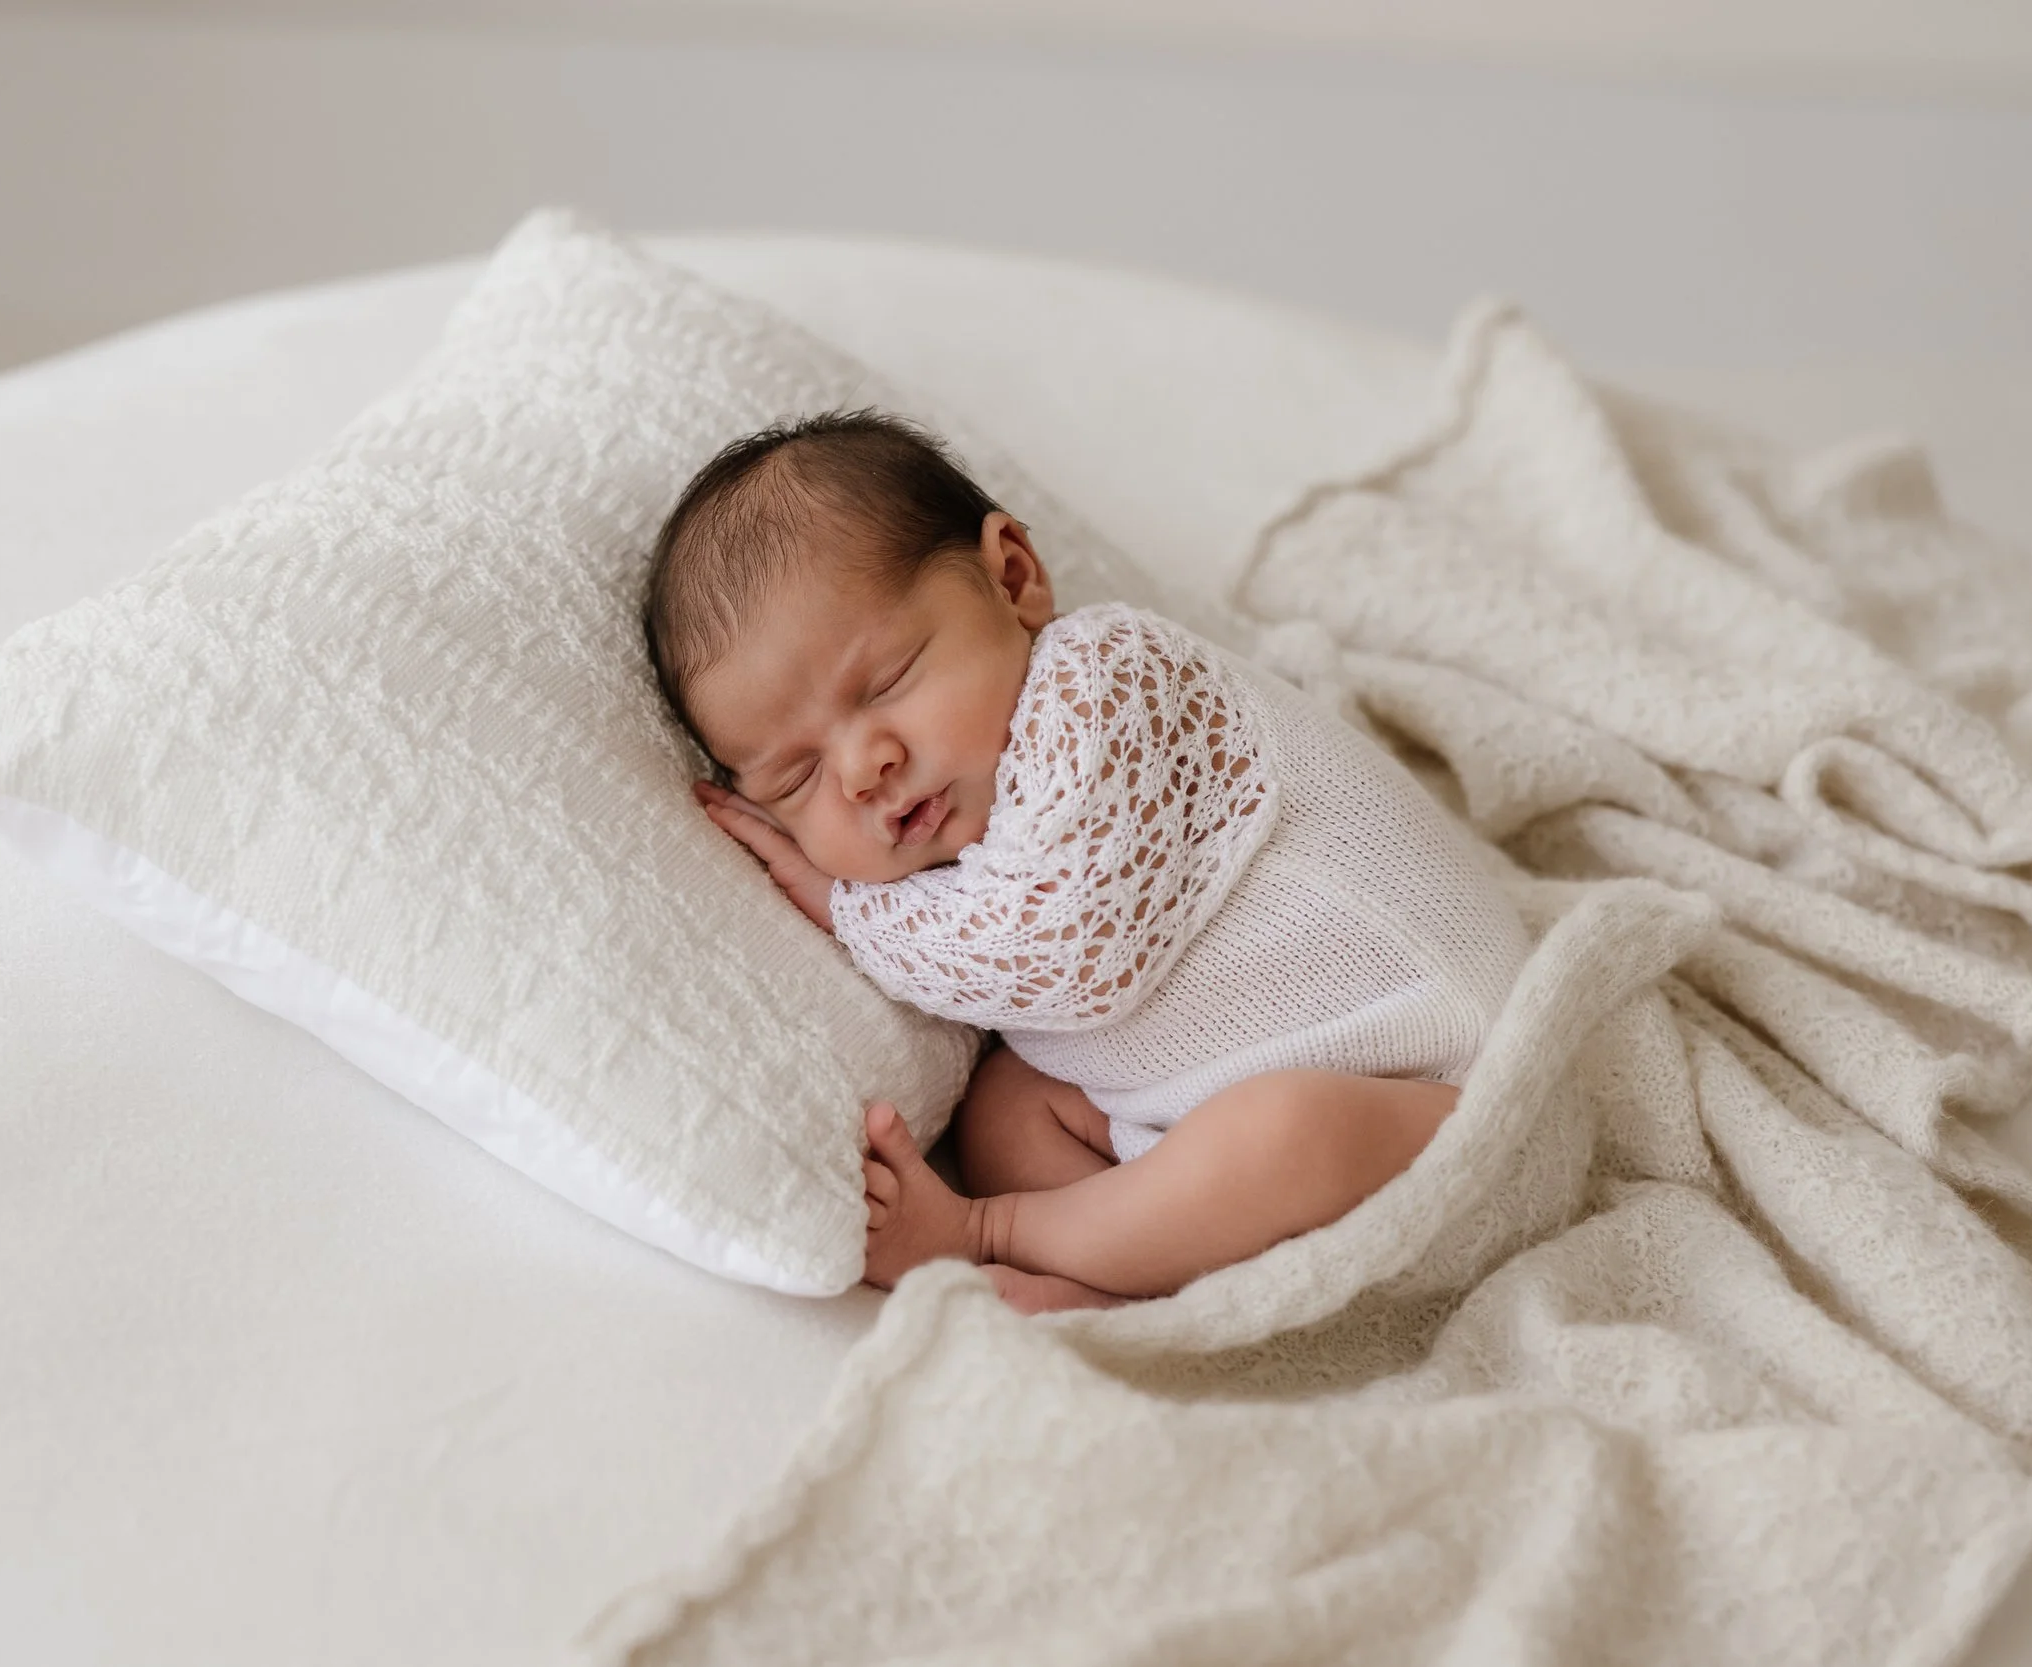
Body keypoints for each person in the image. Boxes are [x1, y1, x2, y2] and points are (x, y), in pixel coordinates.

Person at [645, 410, 1527, 1312]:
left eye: (888, 682)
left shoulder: (1104, 680)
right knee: (1006, 1107)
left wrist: (848, 908)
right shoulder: (957, 844)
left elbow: (1070, 947)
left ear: (1013, 579)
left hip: (1455, 1111)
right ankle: (1128, 1291)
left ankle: (1001, 1234)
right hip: (1229, 1151)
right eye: (797, 776)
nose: (862, 768)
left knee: (1285, 1131)